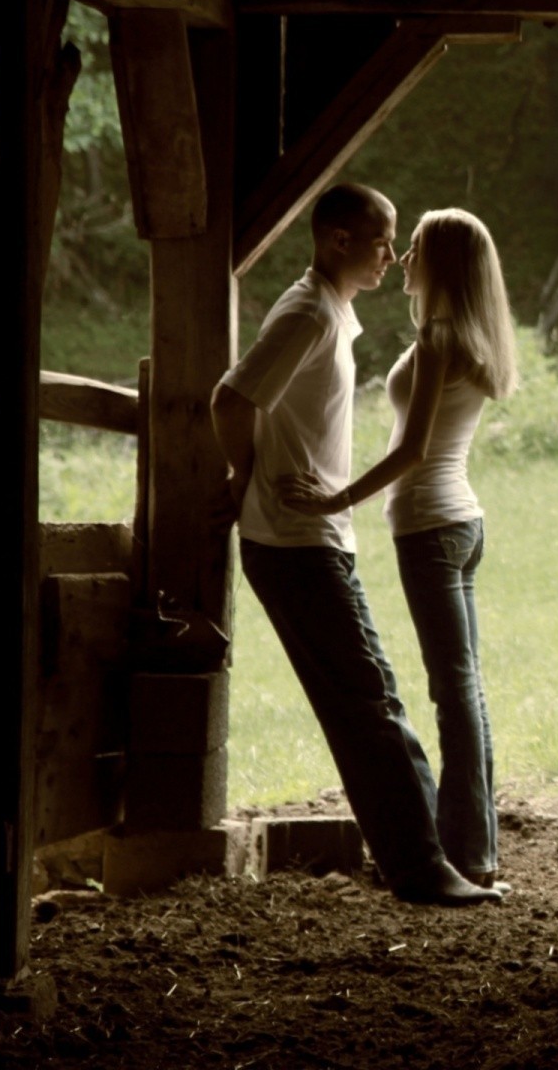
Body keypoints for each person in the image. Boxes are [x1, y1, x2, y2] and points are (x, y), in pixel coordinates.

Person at [210, 183, 501, 907]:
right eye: (380, 241)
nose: (393, 254)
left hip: (320, 534)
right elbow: (231, 396)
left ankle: (425, 857)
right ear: (338, 241)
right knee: (372, 702)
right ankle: (425, 867)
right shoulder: (311, 313)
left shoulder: (335, 314)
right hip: (296, 537)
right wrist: (244, 476)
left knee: (366, 702)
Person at [280, 207, 518, 892]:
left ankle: (467, 853)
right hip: (461, 524)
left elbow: (413, 451)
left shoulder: (443, 336)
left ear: (440, 262)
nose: (403, 257)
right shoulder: (470, 336)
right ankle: (472, 845)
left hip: (431, 529)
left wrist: (333, 499)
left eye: (412, 247)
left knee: (454, 692)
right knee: (462, 689)